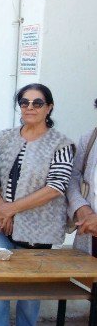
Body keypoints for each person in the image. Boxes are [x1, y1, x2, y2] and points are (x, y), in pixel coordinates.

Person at [0, 83, 74, 326]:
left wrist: (12, 209)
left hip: (38, 227)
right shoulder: (4, 137)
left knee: (30, 291)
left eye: (37, 103)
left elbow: (56, 186)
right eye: (24, 102)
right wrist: (1, 206)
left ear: (49, 108)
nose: (30, 107)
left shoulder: (61, 144)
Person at [68, 98, 97, 253]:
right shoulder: (90, 139)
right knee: (88, 274)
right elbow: (73, 176)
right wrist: (81, 207)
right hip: (89, 230)